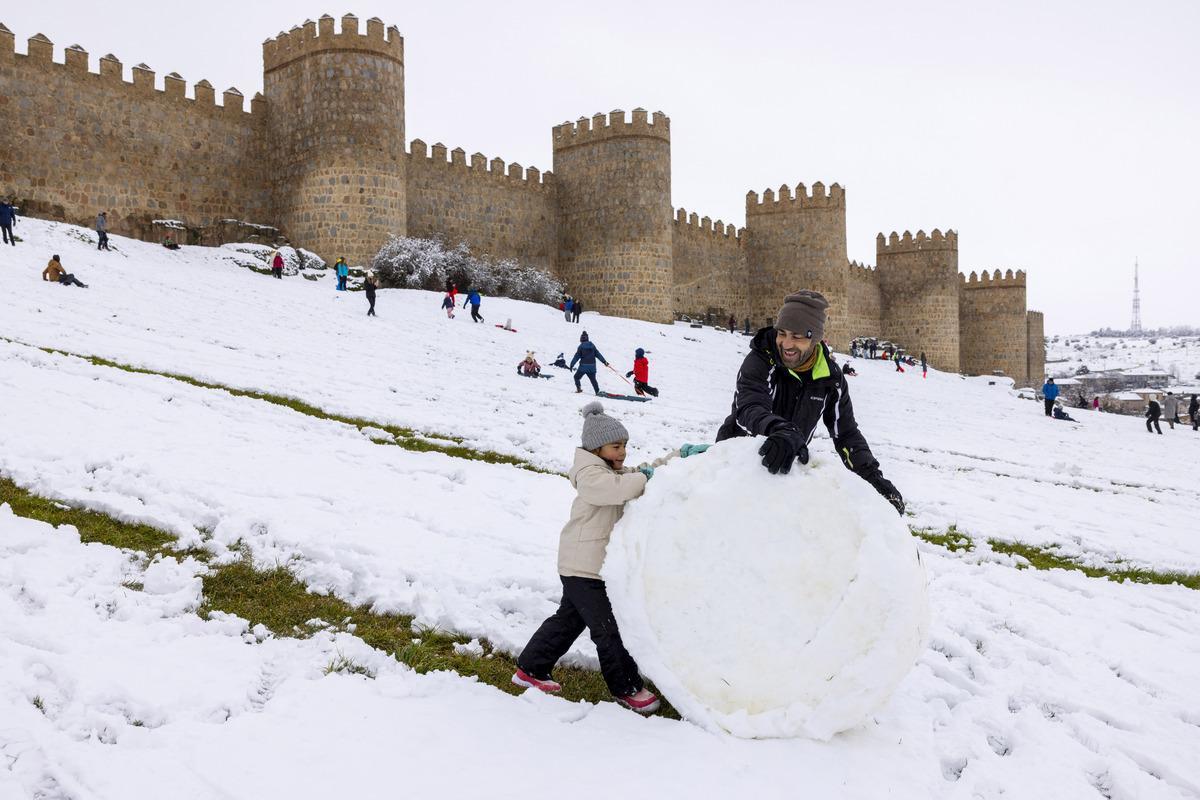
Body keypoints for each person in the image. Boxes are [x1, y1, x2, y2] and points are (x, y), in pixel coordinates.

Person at [513, 401, 708, 713]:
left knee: (568, 620)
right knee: (609, 629)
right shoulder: (591, 474)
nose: (623, 453)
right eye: (616, 446)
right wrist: (644, 477)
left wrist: (677, 457)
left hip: (592, 566)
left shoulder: (611, 471)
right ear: (596, 448)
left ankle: (531, 668)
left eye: (625, 446)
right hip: (583, 567)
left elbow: (644, 472)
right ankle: (626, 687)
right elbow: (616, 489)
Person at [715, 290, 904, 514]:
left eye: (796, 336)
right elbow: (748, 408)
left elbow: (845, 434)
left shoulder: (830, 379)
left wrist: (873, 480)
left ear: (814, 339)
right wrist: (780, 430)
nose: (786, 344)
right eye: (782, 333)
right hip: (733, 465)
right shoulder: (761, 359)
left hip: (784, 471)